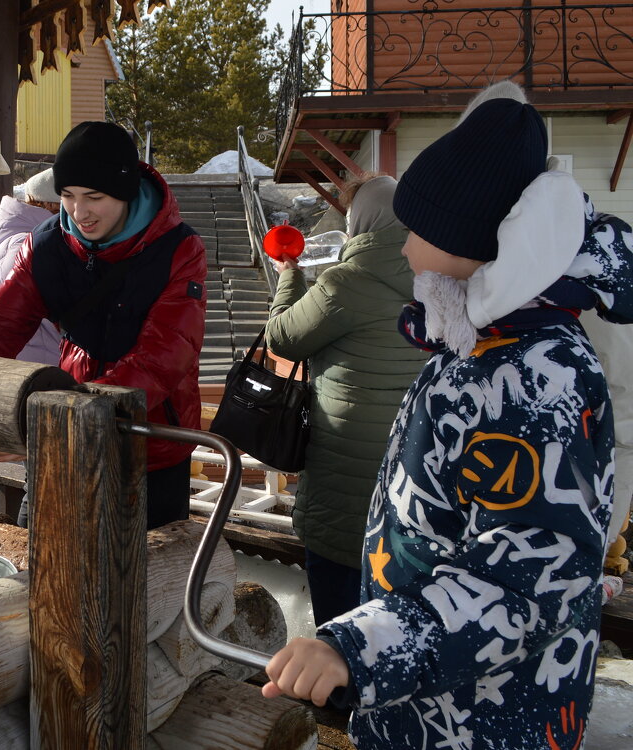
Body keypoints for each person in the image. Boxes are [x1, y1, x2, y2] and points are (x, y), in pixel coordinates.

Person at [262, 82, 633, 750]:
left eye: (422, 234)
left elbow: (521, 580)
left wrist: (361, 647)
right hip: (437, 697)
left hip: (485, 717)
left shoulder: (532, 377)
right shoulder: (480, 341)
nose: (406, 250)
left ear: (476, 245)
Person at [0, 121, 207, 530]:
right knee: (38, 559)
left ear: (126, 191)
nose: (79, 212)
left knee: (144, 581)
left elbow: (162, 359)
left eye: (94, 197)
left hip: (150, 445)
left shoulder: (179, 250)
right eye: (68, 196)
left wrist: (60, 427)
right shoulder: (47, 245)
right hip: (66, 439)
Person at [264, 174, 426, 626]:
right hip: (412, 472)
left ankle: (338, 692)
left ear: (360, 222)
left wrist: (289, 277)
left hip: (344, 473)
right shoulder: (439, 279)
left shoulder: (346, 282)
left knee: (340, 621)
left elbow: (283, 338)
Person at [0, 168, 61, 365]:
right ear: (51, 204)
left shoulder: (23, 236)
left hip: (30, 359)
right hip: (39, 365)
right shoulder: (27, 244)